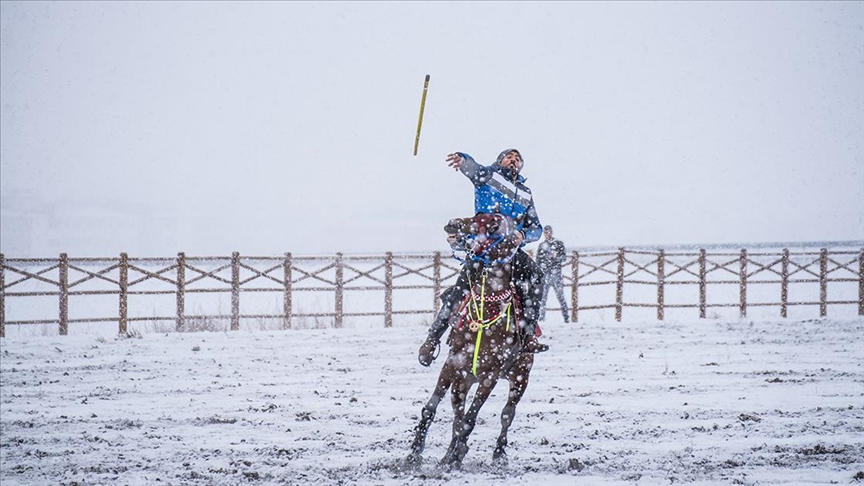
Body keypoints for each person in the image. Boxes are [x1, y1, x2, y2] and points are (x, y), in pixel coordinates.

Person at [418, 148, 548, 367]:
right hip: (484, 249)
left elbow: (536, 228)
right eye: (509, 156)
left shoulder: (526, 193)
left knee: (536, 277)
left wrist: (522, 235)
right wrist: (463, 160)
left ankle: (527, 335)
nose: (514, 160)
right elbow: (473, 168)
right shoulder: (489, 176)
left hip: (512, 251)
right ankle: (432, 339)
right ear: (500, 160)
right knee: (460, 291)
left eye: (518, 159)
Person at [537, 225, 570, 323]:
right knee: (543, 298)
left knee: (560, 296)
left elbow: (564, 258)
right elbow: (538, 261)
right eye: (545, 233)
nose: (547, 234)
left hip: (556, 274)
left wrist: (556, 257)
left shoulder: (559, 244)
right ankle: (541, 319)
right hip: (545, 274)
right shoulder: (542, 246)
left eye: (548, 232)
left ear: (551, 232)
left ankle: (566, 318)